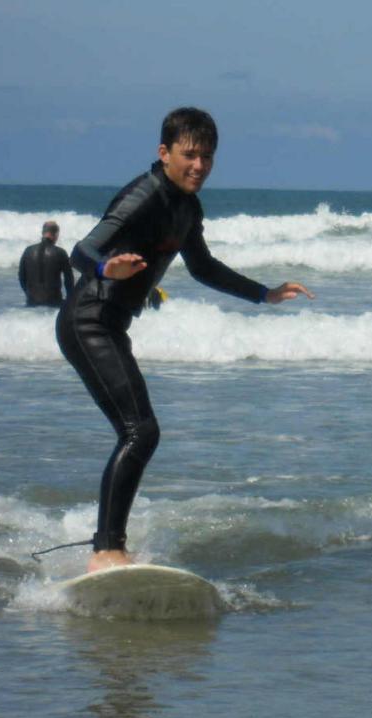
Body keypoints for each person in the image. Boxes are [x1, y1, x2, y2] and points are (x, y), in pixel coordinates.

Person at [57, 107, 314, 572]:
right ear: (165, 153)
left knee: (137, 433)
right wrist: (103, 268)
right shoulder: (145, 193)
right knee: (140, 432)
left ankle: (109, 545)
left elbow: (202, 268)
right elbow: (83, 248)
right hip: (87, 320)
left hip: (111, 325)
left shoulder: (187, 207)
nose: (199, 166)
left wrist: (264, 294)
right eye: (189, 155)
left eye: (208, 157)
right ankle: (106, 551)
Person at [18, 220, 75, 307]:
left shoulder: (28, 251)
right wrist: (70, 301)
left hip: (32, 303)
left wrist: (29, 294)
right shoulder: (60, 252)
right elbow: (69, 280)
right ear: (56, 234)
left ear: (42, 233)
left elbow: (21, 277)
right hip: (54, 303)